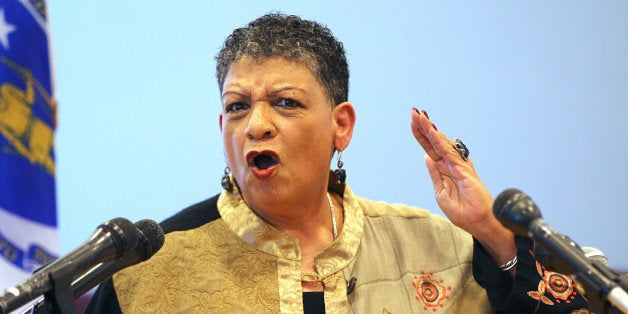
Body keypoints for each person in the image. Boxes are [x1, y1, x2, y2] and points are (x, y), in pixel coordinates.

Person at [86, 13, 592, 313]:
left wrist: (491, 230)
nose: (256, 125)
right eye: (237, 106)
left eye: (286, 102)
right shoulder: (148, 273)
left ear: (341, 126)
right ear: (223, 129)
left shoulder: (439, 249)